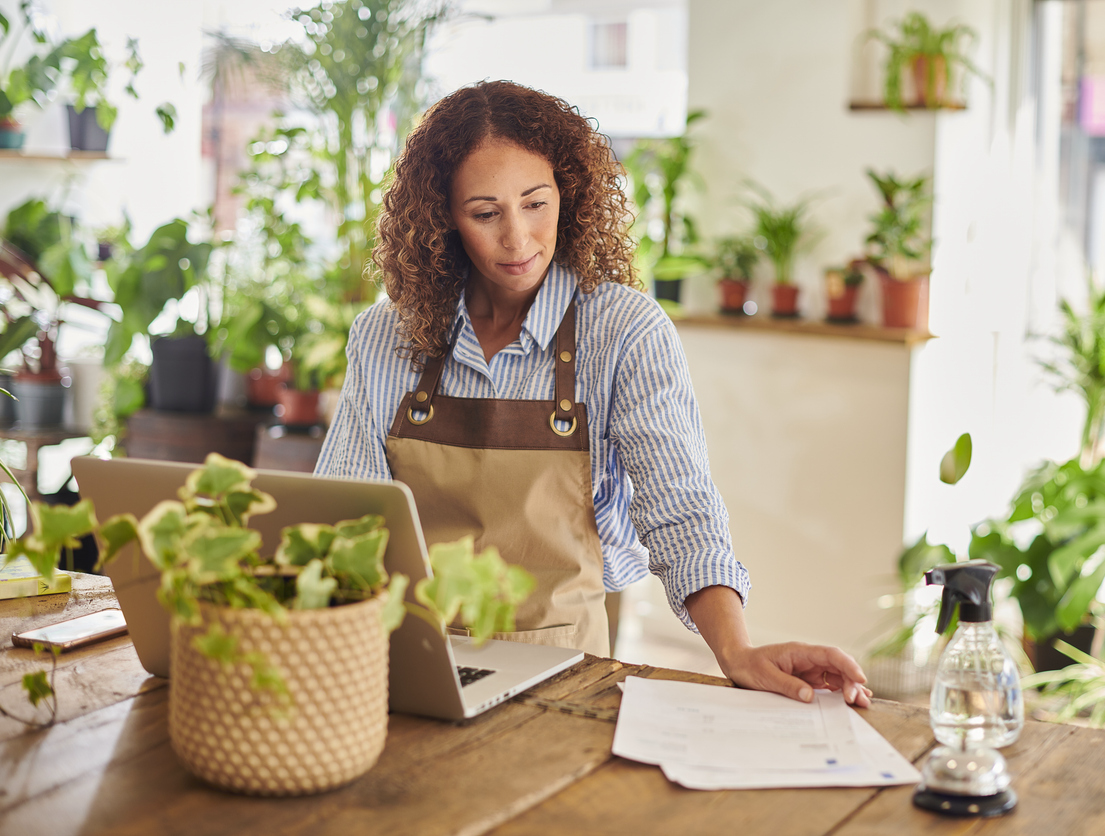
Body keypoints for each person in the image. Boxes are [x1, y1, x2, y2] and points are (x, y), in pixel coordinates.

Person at [315, 80, 872, 708]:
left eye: (535, 203)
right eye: (486, 213)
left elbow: (681, 512)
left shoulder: (624, 332)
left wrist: (737, 650)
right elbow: (343, 517)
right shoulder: (385, 334)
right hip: (403, 659)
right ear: (442, 216)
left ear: (569, 195)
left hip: (561, 673)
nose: (517, 238)